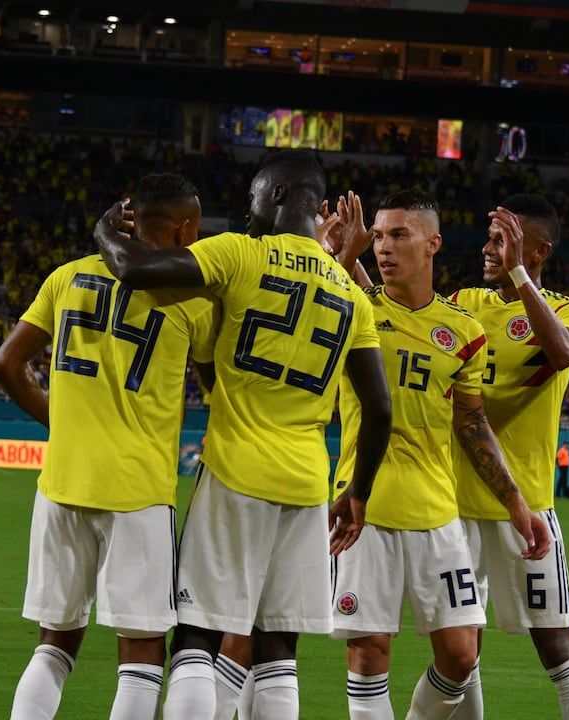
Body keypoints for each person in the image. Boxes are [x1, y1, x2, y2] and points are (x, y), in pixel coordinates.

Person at [93, 150, 393, 720]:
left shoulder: (239, 253)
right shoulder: (353, 295)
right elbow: (379, 409)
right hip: (306, 486)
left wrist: (105, 233)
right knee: (277, 649)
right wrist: (358, 493)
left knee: (197, 636)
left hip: (236, 473)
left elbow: (134, 269)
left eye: (254, 198)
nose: (248, 211)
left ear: (277, 195)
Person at [333, 193, 569, 719]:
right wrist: (355, 259)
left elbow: (564, 353)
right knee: (464, 650)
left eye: (505, 240)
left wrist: (519, 273)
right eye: (491, 238)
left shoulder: (568, 309)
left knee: (556, 641)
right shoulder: (466, 306)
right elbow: (394, 318)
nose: (489, 248)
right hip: (450, 500)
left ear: (538, 250)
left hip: (522, 496)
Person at [0, 173, 217, 720]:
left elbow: (5, 364)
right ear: (185, 228)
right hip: (138, 491)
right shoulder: (191, 298)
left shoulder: (66, 277)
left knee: (53, 645)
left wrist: (62, 422)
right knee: (141, 656)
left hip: (62, 483)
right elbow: (219, 388)